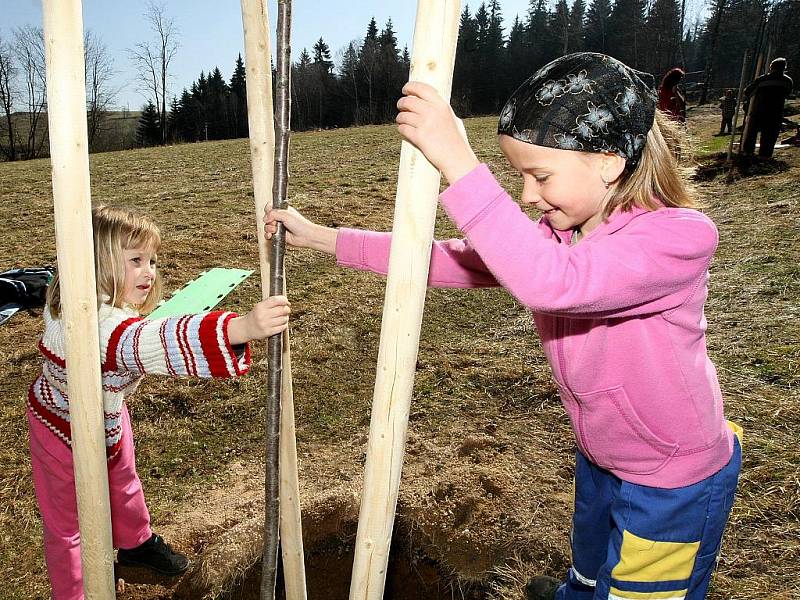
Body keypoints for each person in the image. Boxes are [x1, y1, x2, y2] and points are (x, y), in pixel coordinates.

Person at [265, 52, 742, 600]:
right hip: (603, 455)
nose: (527, 196)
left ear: (609, 163)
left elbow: (554, 283)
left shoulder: (679, 238)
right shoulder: (563, 234)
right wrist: (326, 238)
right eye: (520, 176)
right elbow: (450, 258)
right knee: (590, 566)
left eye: (539, 175)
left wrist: (460, 163)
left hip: (671, 479)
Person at [28, 205, 291, 600]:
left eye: (152, 260)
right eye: (135, 260)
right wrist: (242, 328)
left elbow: (143, 332)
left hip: (107, 414)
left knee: (123, 479)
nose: (150, 271)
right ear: (96, 262)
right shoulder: (92, 327)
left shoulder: (95, 304)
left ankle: (135, 543)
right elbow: (157, 341)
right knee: (67, 524)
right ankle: (75, 592)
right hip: (59, 427)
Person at [741, 57, 794, 157]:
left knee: (751, 134)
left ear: (771, 67)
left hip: (758, 111)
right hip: (775, 113)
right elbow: (788, 93)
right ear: (784, 68)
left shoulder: (762, 79)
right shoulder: (788, 81)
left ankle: (747, 154)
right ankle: (765, 157)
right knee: (769, 137)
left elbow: (748, 92)